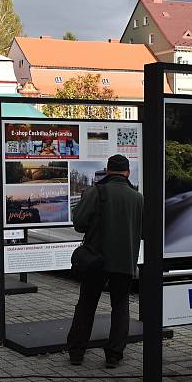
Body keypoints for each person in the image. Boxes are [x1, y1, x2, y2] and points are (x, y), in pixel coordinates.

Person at [67, 154, 143, 368]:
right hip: (125, 260)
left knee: (86, 304)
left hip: (96, 259)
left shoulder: (96, 191)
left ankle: (76, 352)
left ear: (108, 170)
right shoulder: (138, 198)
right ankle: (114, 355)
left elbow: (79, 224)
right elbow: (144, 230)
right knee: (120, 306)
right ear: (127, 172)